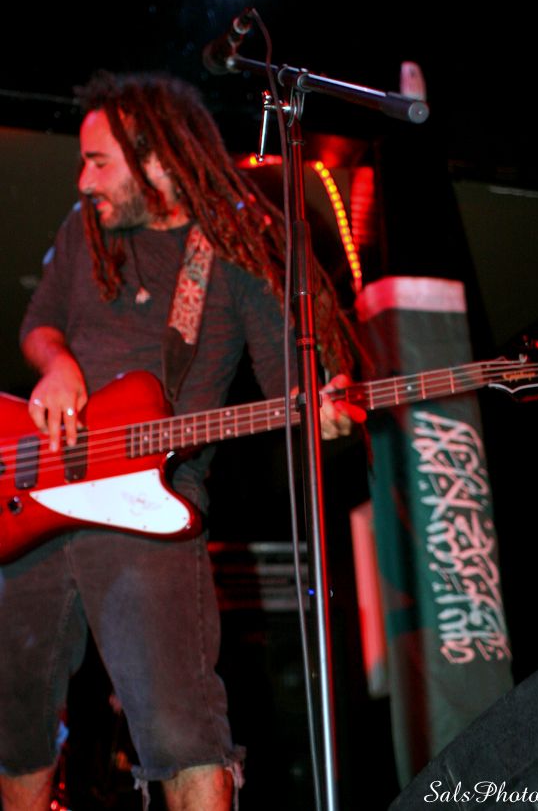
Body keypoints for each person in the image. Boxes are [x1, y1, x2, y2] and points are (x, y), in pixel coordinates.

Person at [0, 71, 360, 811]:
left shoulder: (235, 245)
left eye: (99, 162)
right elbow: (38, 325)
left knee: (182, 732)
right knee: (16, 725)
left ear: (158, 158)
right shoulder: (84, 228)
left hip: (150, 507)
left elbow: (291, 380)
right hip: (33, 497)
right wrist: (58, 364)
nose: (83, 180)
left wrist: (324, 407)